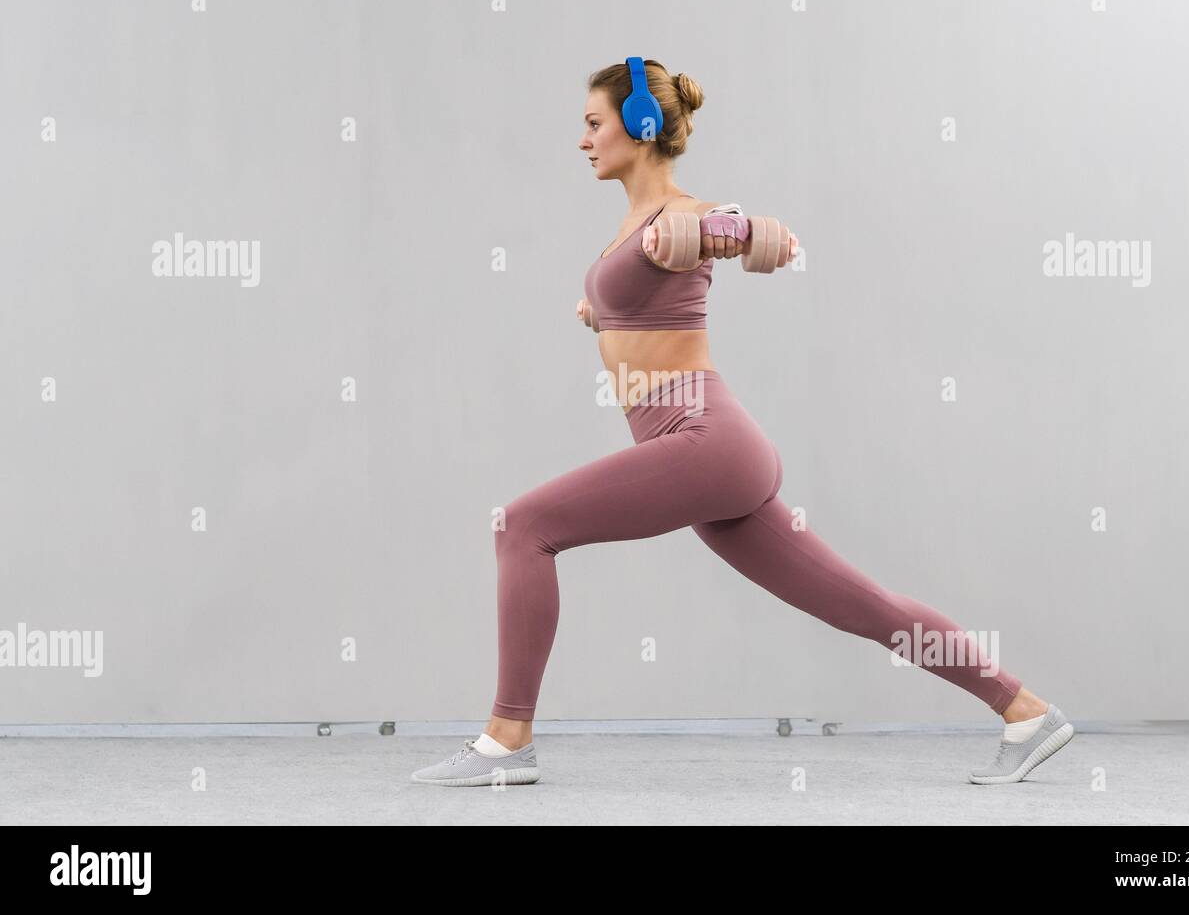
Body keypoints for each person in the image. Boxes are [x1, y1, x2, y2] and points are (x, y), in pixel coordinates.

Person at [412, 57, 1073, 788]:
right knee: (862, 604)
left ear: (639, 126)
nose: (583, 140)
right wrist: (602, 314)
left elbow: (764, 237)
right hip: (704, 451)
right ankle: (1025, 711)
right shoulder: (636, 226)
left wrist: (727, 235)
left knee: (523, 526)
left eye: (593, 123)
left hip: (703, 441)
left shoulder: (682, 217)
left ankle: (508, 742)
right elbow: (647, 307)